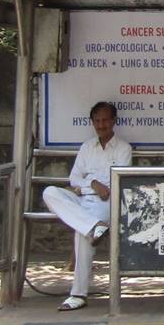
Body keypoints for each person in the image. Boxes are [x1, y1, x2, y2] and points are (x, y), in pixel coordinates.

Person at [42, 100, 132, 311]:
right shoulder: (86, 147)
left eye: (105, 120)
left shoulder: (123, 148)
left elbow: (112, 185)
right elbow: (74, 179)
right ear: (92, 122)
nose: (101, 125)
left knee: (82, 233)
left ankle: (78, 294)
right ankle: (94, 226)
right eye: (97, 121)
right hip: (84, 200)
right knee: (50, 192)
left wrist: (90, 187)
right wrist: (91, 184)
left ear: (113, 121)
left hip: (106, 203)